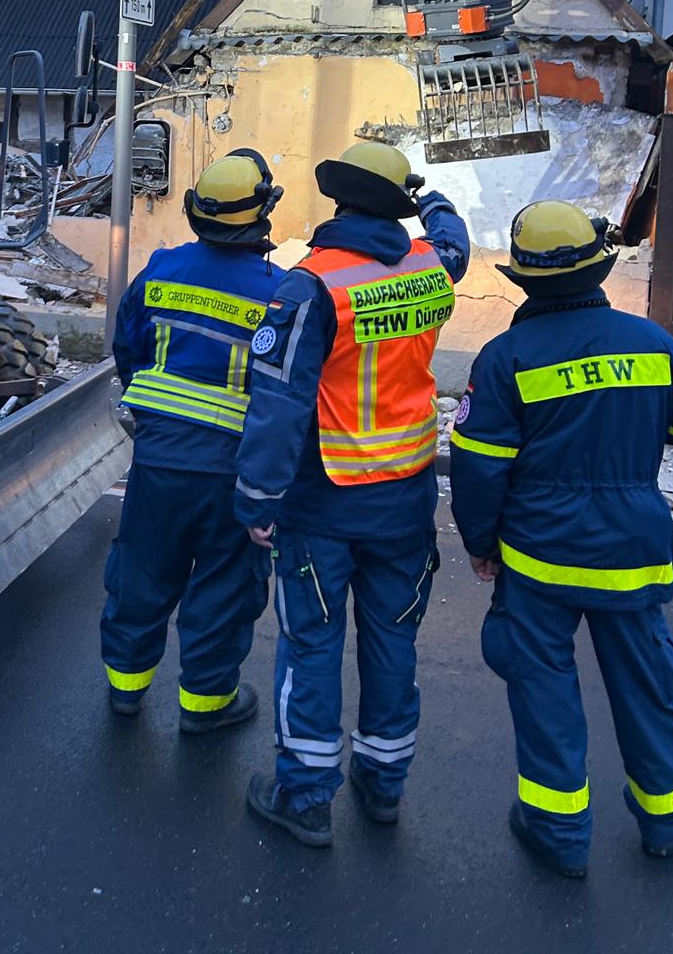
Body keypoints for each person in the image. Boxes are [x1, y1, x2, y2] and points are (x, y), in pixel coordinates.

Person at [449, 199, 673, 879]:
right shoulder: (654, 343)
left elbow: (479, 468)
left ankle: (558, 835)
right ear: (598, 268)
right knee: (648, 684)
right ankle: (668, 819)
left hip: (539, 557)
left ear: (524, 279)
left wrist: (481, 542)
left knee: (544, 689)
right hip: (632, 551)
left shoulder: (504, 358)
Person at [234, 141, 469, 847]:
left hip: (323, 506)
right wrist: (429, 199)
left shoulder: (311, 286)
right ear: (399, 205)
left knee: (312, 645)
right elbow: (452, 240)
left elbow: (277, 406)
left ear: (338, 200)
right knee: (394, 641)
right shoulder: (431, 270)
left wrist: (256, 499)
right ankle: (384, 781)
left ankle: (305, 797)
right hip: (405, 504)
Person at [101, 149, 283, 733]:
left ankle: (125, 687)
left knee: (143, 573)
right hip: (236, 470)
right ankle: (206, 705)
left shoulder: (161, 268)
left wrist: (156, 415)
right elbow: (286, 393)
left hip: (158, 460)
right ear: (263, 213)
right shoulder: (280, 292)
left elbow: (127, 346)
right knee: (225, 589)